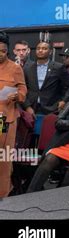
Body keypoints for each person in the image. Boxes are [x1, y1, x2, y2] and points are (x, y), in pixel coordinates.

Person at [0, 32, 27, 197]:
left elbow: (23, 89)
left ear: (7, 51)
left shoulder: (15, 68)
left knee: (3, 156)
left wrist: (17, 95)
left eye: (3, 51)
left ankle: (2, 191)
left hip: (3, 118)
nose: (0, 54)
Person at [22, 41, 69, 116]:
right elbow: (22, 88)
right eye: (38, 48)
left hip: (51, 108)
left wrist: (64, 100)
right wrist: (27, 106)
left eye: (44, 48)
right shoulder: (28, 68)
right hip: (31, 107)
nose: (40, 50)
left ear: (50, 52)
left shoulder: (58, 67)